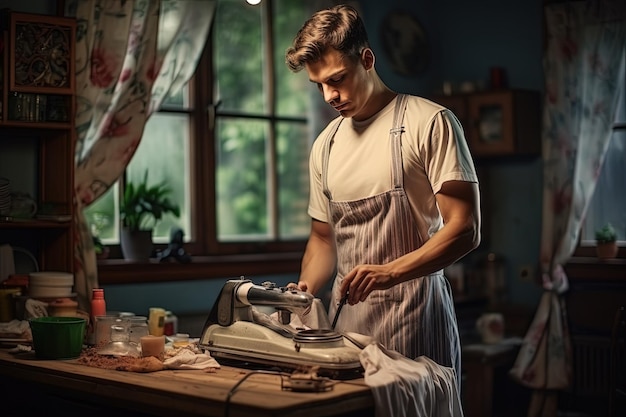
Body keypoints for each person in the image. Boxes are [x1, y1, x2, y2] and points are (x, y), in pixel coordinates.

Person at [285, 4, 481, 387]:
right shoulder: (325, 145)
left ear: (367, 59)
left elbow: (464, 229)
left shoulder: (429, 122)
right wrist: (304, 289)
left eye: (337, 79)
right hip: (351, 326)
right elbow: (324, 238)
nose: (329, 95)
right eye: (319, 85)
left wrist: (390, 272)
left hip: (417, 318)